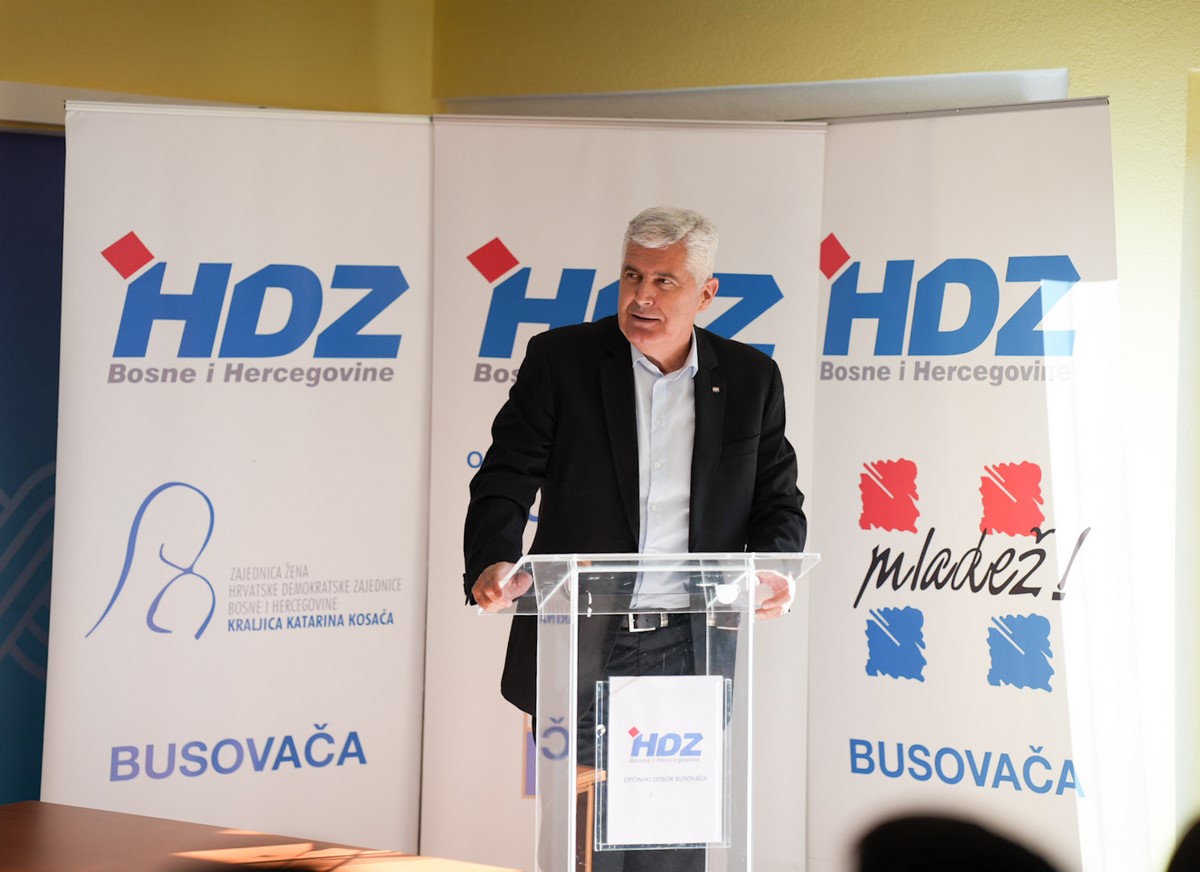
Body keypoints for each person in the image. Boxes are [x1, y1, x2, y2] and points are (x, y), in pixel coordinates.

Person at [464, 206, 807, 871]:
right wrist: (493, 558)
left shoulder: (750, 379)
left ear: (706, 293)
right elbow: (506, 475)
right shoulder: (561, 360)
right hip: (578, 642)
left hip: (689, 647)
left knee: (670, 851)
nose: (641, 296)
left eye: (664, 281)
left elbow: (778, 502)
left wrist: (773, 568)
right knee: (583, 848)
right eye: (631, 276)